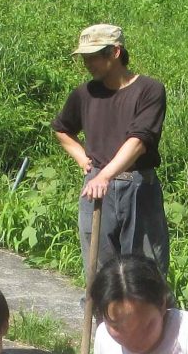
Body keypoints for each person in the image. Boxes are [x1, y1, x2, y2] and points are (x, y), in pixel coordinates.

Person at [52, 24, 171, 275]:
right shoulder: (84, 94)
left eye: (93, 56)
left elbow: (139, 141)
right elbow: (62, 129)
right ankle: (100, 316)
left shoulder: (149, 90)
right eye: (84, 57)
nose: (87, 63)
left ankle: (150, 315)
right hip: (96, 189)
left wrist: (105, 174)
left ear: (115, 52)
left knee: (146, 273)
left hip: (138, 187)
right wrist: (83, 159)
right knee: (99, 273)